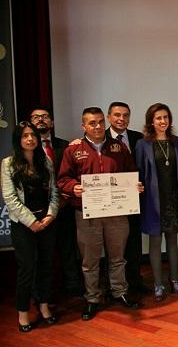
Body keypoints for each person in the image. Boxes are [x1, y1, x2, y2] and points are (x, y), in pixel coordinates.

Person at [57, 107, 141, 321]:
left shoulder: (118, 147)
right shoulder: (73, 150)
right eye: (92, 123)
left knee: (117, 257)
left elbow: (130, 174)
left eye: (100, 122)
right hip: (88, 215)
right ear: (83, 126)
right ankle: (92, 298)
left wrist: (135, 185)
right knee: (90, 261)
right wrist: (73, 187)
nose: (97, 127)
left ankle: (119, 292)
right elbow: (62, 180)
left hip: (117, 213)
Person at [1, 122, 59, 332]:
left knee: (46, 266)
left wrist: (51, 215)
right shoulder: (8, 164)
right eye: (25, 136)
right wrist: (31, 221)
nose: (30, 139)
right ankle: (23, 313)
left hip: (46, 223)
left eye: (33, 135)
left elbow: (54, 192)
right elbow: (10, 198)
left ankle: (43, 307)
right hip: (24, 226)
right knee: (27, 269)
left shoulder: (46, 162)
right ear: (18, 139)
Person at [29, 106, 84, 297]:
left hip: (65, 206)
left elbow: (71, 176)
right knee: (42, 255)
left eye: (45, 117)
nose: (41, 120)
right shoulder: (26, 148)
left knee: (69, 250)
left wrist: (65, 199)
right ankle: (44, 295)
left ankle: (73, 289)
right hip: (38, 212)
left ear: (52, 122)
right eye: (36, 117)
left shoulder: (66, 146)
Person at [136, 103, 178, 301]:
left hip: (173, 199)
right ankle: (158, 283)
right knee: (155, 243)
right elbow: (139, 172)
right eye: (158, 118)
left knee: (173, 242)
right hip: (152, 201)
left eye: (166, 117)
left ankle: (175, 279)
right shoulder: (143, 144)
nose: (162, 121)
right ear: (151, 121)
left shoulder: (177, 142)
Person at [106, 101, 148, 294]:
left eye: (125, 115)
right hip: (110, 202)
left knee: (134, 243)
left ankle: (135, 281)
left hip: (134, 200)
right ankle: (115, 286)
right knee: (114, 246)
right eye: (117, 115)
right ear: (109, 117)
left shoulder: (138, 138)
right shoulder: (99, 138)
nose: (121, 119)